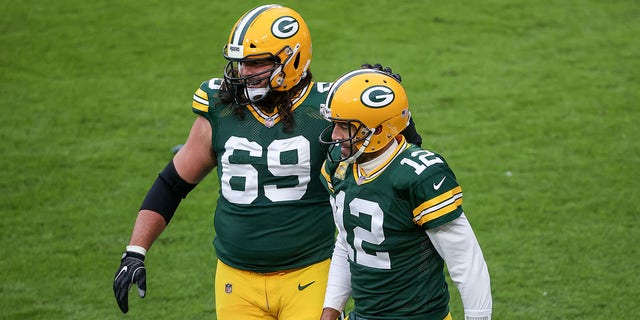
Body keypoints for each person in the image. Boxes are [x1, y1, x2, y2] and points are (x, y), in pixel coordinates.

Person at [112, 4, 422, 319]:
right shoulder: (219, 108)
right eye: (240, 63)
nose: (243, 72)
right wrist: (136, 251)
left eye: (255, 63)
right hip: (235, 281)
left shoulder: (325, 112)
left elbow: (387, 175)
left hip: (309, 275)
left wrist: (400, 125)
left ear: (293, 60)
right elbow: (172, 184)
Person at [317, 69, 492, 320]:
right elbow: (348, 242)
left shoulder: (419, 175)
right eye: (335, 124)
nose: (335, 135)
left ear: (378, 130)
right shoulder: (340, 168)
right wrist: (330, 310)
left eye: (345, 127)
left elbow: (466, 262)